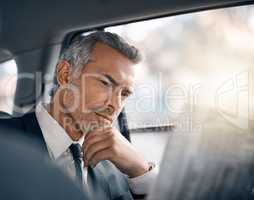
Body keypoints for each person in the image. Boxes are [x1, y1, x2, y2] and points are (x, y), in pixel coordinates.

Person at [2, 31, 158, 200]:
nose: (115, 105)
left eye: (125, 94)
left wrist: (140, 170)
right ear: (64, 74)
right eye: (105, 83)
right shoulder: (6, 140)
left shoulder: (116, 165)